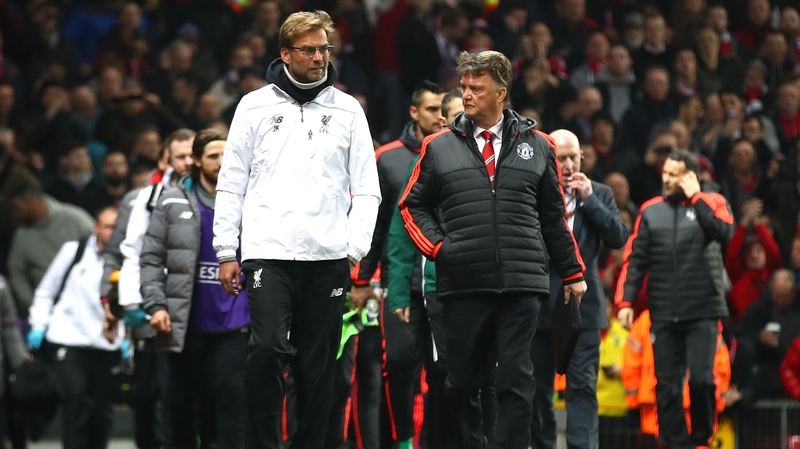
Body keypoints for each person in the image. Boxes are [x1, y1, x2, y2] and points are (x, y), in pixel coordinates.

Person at [399, 50, 587, 449]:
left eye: (476, 88)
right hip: (463, 282)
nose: (466, 95)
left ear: (501, 93)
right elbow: (411, 204)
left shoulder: (539, 146)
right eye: (464, 86)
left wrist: (572, 273)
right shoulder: (437, 146)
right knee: (463, 380)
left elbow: (553, 217)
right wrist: (440, 249)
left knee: (516, 379)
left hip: (522, 282)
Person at [212, 10, 381, 449]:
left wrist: (353, 250)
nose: (319, 57)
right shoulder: (253, 106)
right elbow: (230, 184)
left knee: (317, 364)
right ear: (285, 53)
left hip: (327, 258)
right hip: (267, 253)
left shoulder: (348, 110)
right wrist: (226, 250)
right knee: (266, 349)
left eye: (324, 48)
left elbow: (367, 189)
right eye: (309, 50)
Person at [616, 150, 735, 449]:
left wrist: (697, 197)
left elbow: (725, 232)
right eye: (665, 173)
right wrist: (626, 302)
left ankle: (702, 439)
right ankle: (672, 444)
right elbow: (635, 259)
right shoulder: (650, 210)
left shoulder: (714, 201)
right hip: (665, 311)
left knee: (702, 380)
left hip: (704, 310)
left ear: (690, 176)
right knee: (666, 385)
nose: (665, 179)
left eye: (673, 174)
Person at [141, 128, 248, 449]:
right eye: (213, 155)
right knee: (181, 410)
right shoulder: (171, 201)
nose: (221, 161)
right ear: (198, 161)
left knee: (231, 407)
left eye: (227, 155)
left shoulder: (252, 202)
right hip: (184, 324)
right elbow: (149, 259)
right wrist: (156, 305)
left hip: (236, 323)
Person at [351, 80, 444, 449]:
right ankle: (402, 441)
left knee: (441, 371)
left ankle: (433, 441)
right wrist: (361, 277)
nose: (439, 116)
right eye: (432, 109)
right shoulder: (387, 157)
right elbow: (377, 223)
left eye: (443, 109)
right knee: (400, 365)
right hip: (397, 281)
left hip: (442, 280)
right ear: (414, 112)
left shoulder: (456, 153)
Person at [530, 129, 628, 449]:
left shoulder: (599, 192)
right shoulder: (532, 193)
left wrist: (590, 200)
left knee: (583, 387)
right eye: (562, 158)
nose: (570, 164)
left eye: (575, 157)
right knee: (538, 387)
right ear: (549, 160)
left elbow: (618, 238)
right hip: (541, 303)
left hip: (584, 307)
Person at [100, 128, 197, 449]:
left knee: (188, 388)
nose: (186, 162)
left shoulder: (209, 193)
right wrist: (112, 304)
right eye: (179, 156)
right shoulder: (138, 199)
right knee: (150, 391)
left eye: (190, 155)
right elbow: (117, 252)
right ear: (164, 158)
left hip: (194, 305)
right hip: (145, 303)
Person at [26, 206, 124, 449]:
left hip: (105, 343)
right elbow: (47, 290)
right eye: (108, 226)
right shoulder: (75, 251)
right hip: (69, 338)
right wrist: (39, 324)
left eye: (117, 226)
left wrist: (127, 340)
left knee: (102, 412)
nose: (113, 231)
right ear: (96, 227)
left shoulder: (128, 258)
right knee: (76, 398)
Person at [7, 184, 94, 317]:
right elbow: (17, 273)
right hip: (46, 308)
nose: (15, 214)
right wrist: (33, 307)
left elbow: (101, 248)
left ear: (32, 203)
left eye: (17, 208)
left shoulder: (75, 218)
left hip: (86, 302)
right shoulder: (22, 235)